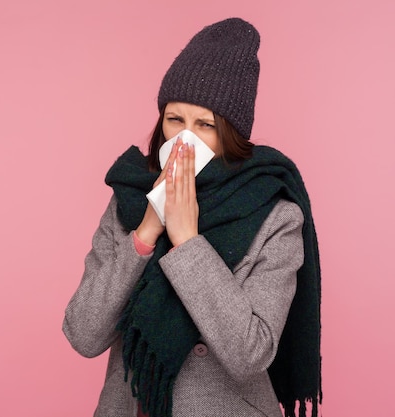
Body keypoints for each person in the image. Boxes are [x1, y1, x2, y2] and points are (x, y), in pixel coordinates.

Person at [63, 17, 321, 417]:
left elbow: (251, 352)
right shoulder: (129, 203)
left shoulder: (275, 214)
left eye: (205, 125)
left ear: (231, 134)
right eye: (175, 120)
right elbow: (83, 334)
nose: (186, 139)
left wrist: (187, 241)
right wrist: (148, 229)